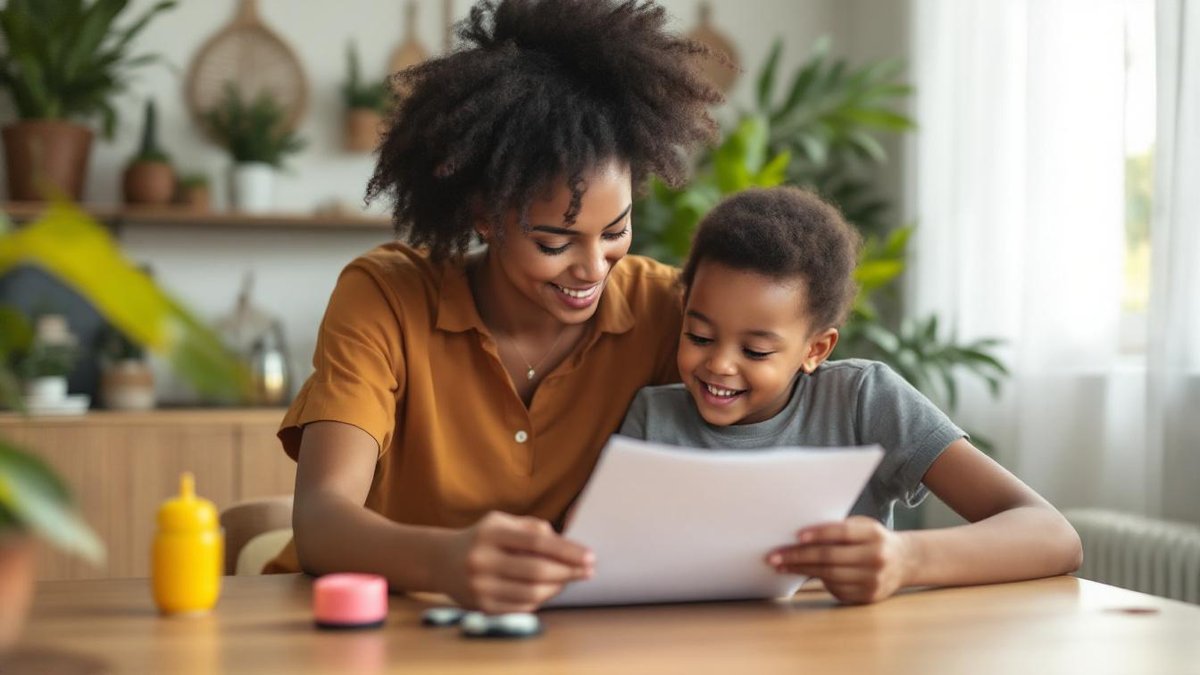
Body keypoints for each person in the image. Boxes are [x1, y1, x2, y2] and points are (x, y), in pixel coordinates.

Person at [263, 0, 722, 616]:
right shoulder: (386, 298)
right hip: (374, 628)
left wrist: (902, 556)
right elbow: (320, 522)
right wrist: (446, 561)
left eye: (615, 231)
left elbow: (808, 405)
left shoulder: (665, 310)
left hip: (566, 642)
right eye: (554, 242)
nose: (592, 269)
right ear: (485, 216)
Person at [618, 187, 1083, 604]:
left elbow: (1053, 535)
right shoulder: (651, 420)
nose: (719, 364)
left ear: (816, 350)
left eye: (755, 350)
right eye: (699, 336)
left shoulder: (862, 400)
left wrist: (907, 559)